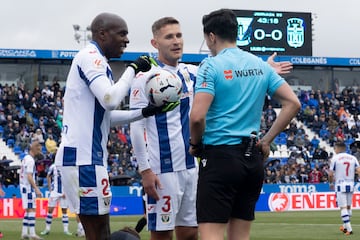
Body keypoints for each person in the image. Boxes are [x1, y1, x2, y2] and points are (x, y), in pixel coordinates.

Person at [129, 16, 293, 240]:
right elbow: (136, 126)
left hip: (192, 167)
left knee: (190, 234)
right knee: (162, 235)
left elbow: (230, 73)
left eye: (179, 35)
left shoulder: (192, 72)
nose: (176, 41)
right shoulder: (145, 78)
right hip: (162, 169)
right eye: (169, 37)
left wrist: (264, 68)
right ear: (155, 43)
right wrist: (145, 169)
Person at [54, 12, 175, 240]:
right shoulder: (91, 57)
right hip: (83, 160)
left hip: (88, 160)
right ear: (102, 34)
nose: (126, 40)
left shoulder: (97, 61)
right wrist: (132, 68)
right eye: (122, 34)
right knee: (99, 234)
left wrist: (144, 112)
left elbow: (105, 117)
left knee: (103, 233)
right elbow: (111, 99)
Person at [189, 9, 301, 240]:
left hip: (220, 157)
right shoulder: (260, 65)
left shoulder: (210, 66)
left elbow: (197, 117)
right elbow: (293, 103)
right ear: (236, 33)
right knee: (240, 236)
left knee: (211, 234)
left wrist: (195, 143)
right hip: (252, 160)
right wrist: (267, 140)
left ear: (211, 36)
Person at [328, 141, 360, 236]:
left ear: (337, 149)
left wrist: (330, 183)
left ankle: (349, 229)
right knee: (349, 207)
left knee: (343, 207)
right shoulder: (353, 158)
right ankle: (345, 226)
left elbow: (330, 174)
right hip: (350, 184)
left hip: (340, 184)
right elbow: (358, 170)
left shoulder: (335, 158)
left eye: (335, 148)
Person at [19, 140, 44, 240]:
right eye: (38, 148)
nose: (40, 150)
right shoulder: (30, 160)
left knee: (28, 210)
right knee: (32, 209)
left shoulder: (25, 158)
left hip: (24, 186)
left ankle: (24, 233)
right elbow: (29, 176)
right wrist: (36, 189)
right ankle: (32, 234)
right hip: (28, 188)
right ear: (34, 148)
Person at [40, 162, 72, 236]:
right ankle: (47, 229)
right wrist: (50, 187)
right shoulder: (53, 166)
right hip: (54, 192)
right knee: (50, 210)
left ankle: (66, 230)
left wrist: (66, 191)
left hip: (64, 192)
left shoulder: (65, 166)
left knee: (64, 211)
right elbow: (48, 176)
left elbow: (69, 179)